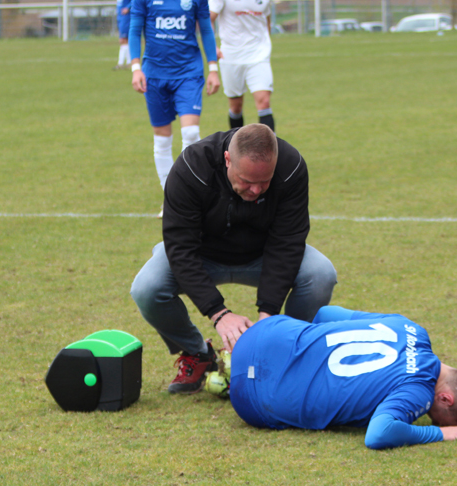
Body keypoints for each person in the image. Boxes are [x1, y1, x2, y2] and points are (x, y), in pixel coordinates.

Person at [130, 124, 338, 394]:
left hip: (262, 255)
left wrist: (268, 316)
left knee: (321, 273)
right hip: (202, 255)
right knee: (147, 287)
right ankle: (198, 354)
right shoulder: (192, 167)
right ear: (227, 159)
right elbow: (181, 249)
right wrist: (219, 314)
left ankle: (284, 355)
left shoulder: (291, 166)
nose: (256, 190)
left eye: (265, 182)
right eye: (247, 181)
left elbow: (287, 241)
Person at [229, 305, 457, 450]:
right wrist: (443, 433)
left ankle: (227, 363)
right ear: (446, 398)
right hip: (251, 400)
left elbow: (326, 313)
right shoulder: (419, 390)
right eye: (438, 416)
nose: (429, 417)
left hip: (260, 334)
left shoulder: (412, 328)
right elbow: (379, 434)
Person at [128, 0, 220, 199]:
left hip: (188, 73)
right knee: (162, 139)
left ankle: (192, 195)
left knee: (190, 133)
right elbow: (134, 31)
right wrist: (136, 68)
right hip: (154, 74)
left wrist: (213, 69)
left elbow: (207, 31)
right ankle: (171, 198)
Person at [209, 0, 276, 131]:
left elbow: (266, 22)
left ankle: (271, 155)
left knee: (264, 102)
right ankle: (237, 152)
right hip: (231, 56)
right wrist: (211, 46)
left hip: (258, 55)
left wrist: (265, 44)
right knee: (236, 106)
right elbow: (208, 20)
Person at [114, 0, 136, 70]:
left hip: (126, 17)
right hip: (121, 17)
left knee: (123, 39)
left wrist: (128, 7)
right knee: (124, 40)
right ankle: (128, 62)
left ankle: (121, 63)